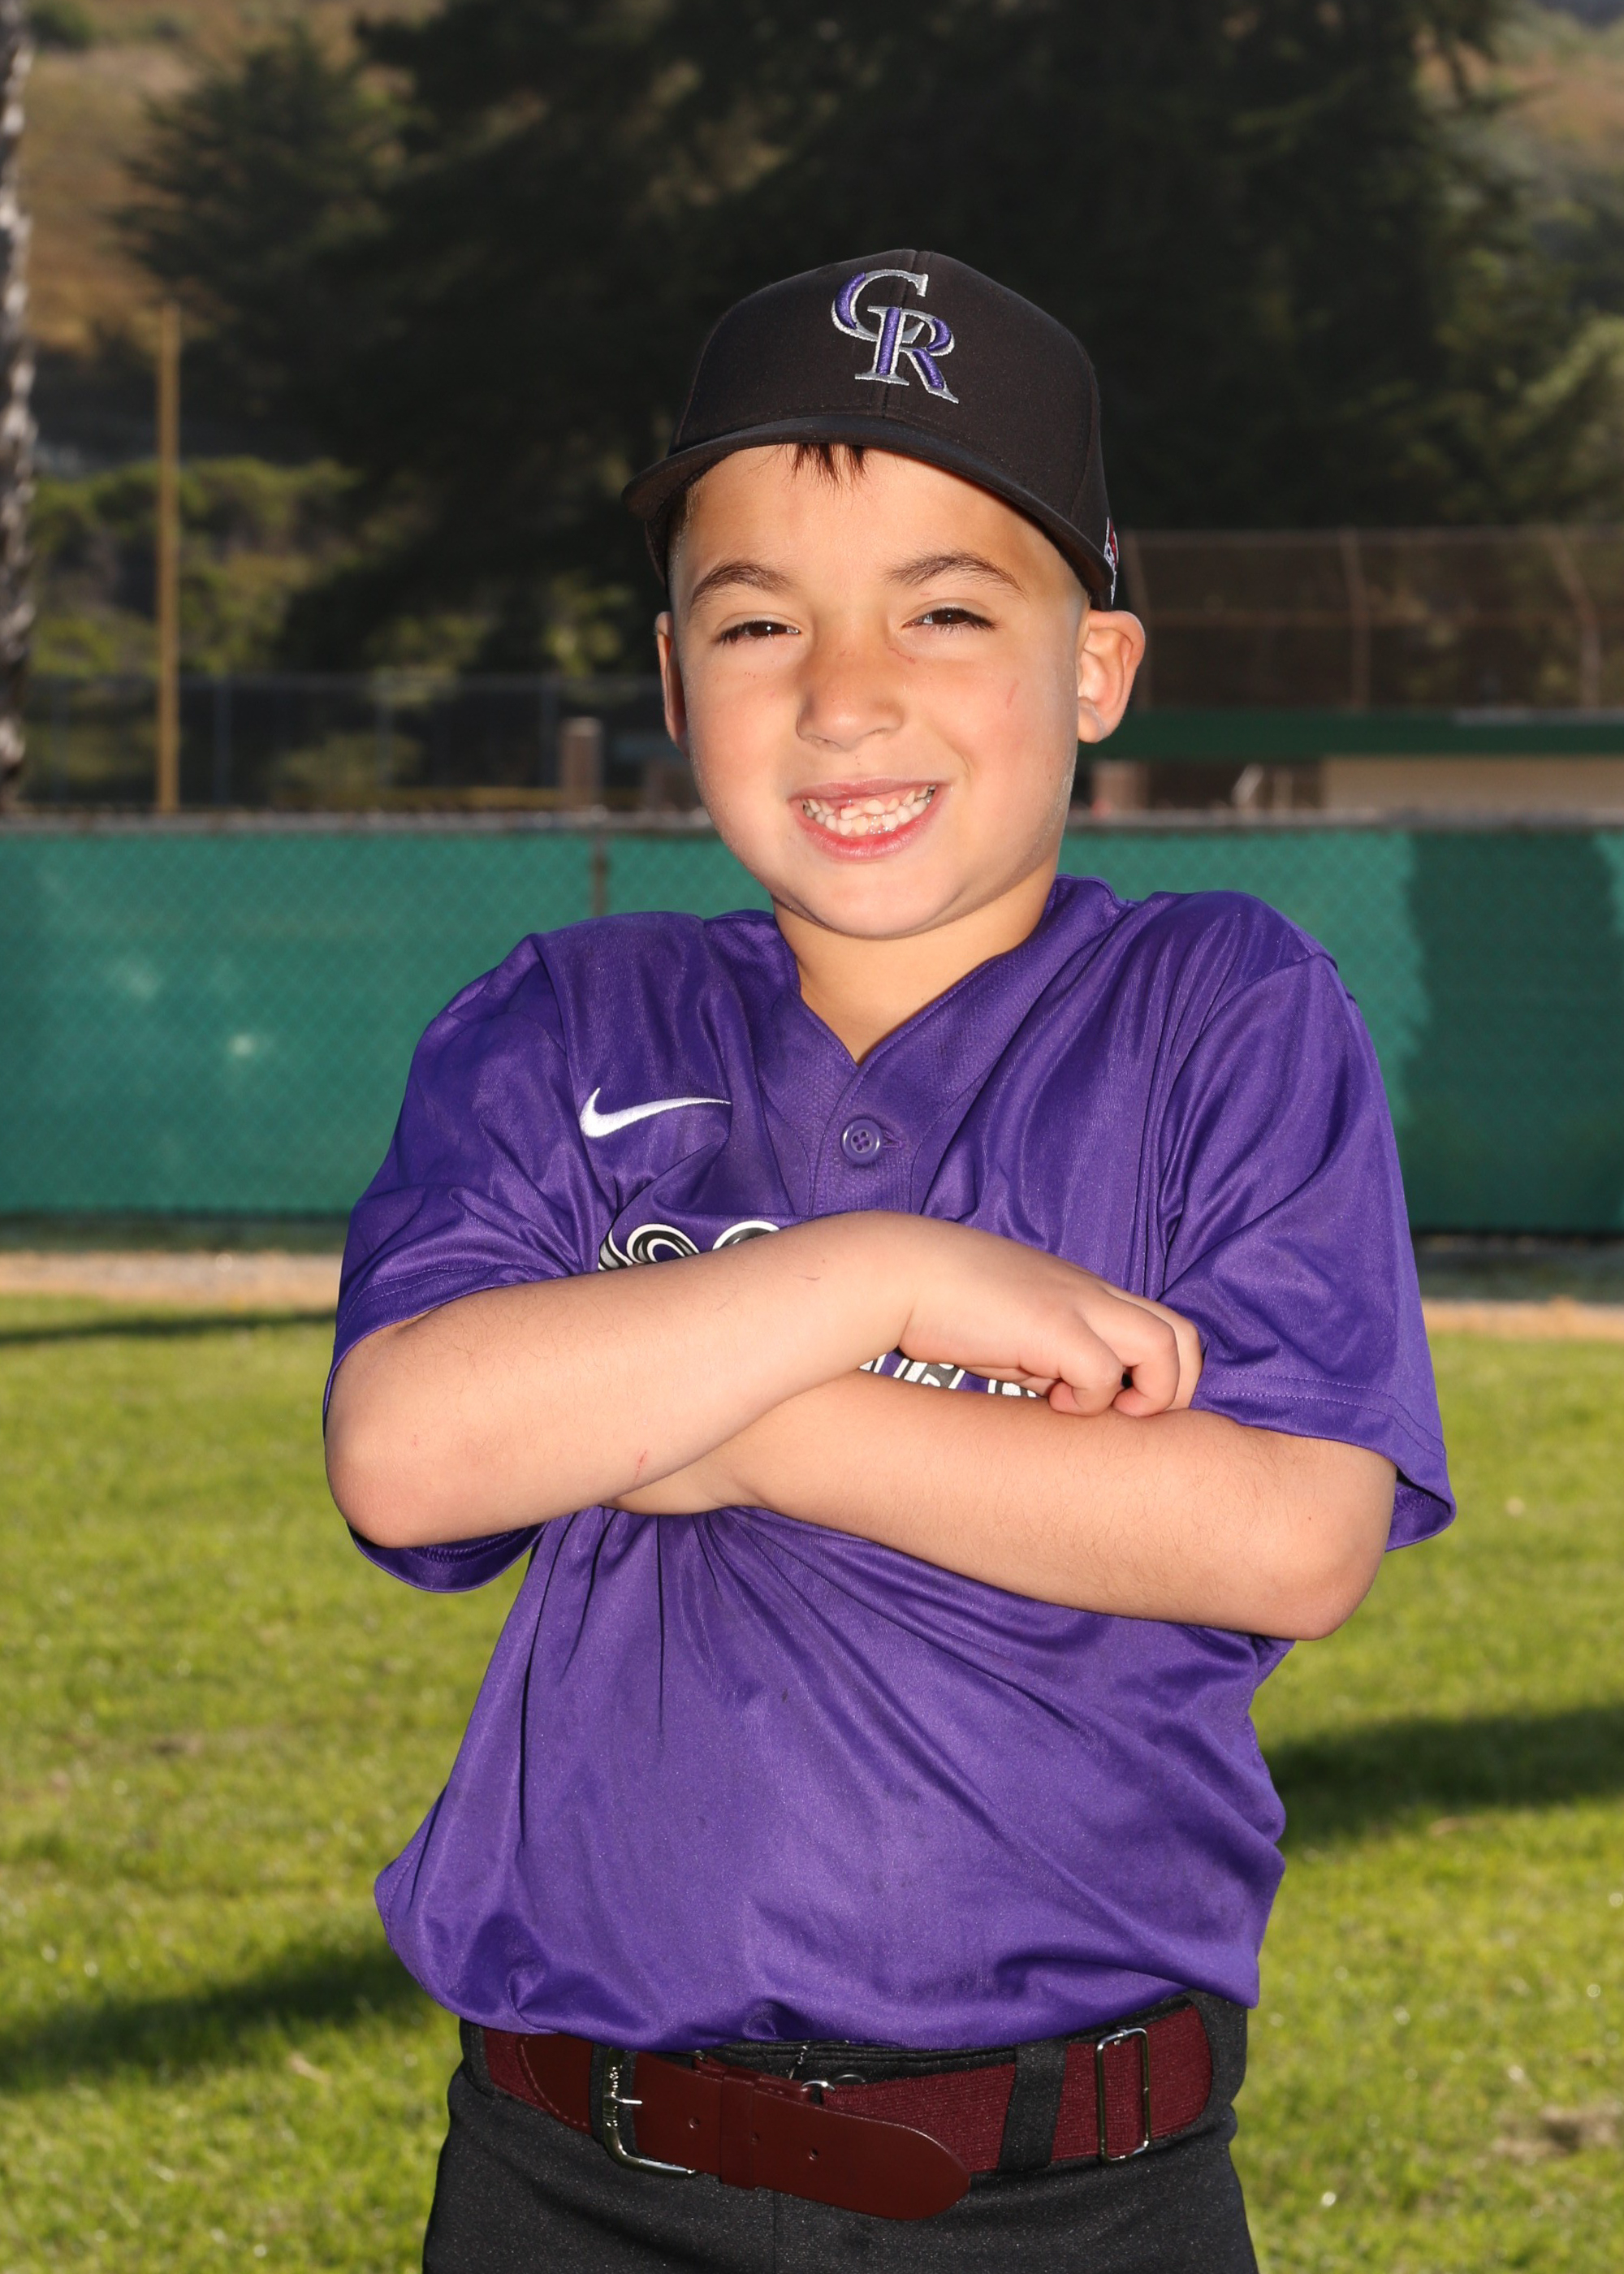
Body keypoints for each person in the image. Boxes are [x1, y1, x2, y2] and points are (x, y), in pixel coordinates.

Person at [324, 250, 1453, 2272]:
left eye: (944, 610)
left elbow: (1290, 1530)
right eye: (759, 620)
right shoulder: (567, 1019)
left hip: (1073, 2191)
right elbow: (410, 1454)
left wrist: (739, 1424)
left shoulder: (1222, 1006)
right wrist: (871, 1279)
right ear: (673, 676)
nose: (844, 696)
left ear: (1096, 666)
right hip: (577, 2173)